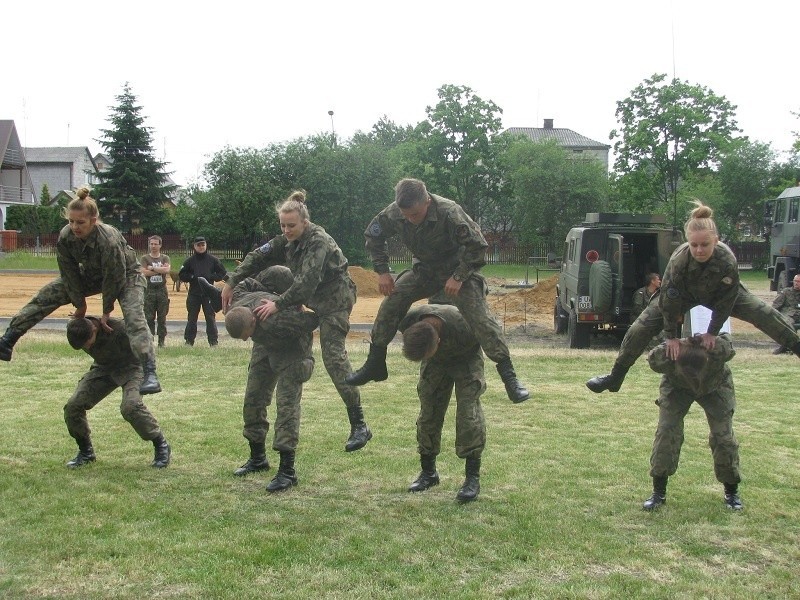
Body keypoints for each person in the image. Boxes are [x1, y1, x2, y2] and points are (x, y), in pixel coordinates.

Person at [345, 178, 529, 404]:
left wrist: (458, 276)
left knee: (480, 318)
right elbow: (373, 235)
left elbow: (479, 247)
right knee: (393, 301)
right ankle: (376, 362)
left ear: (427, 202)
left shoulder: (450, 213)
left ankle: (510, 377)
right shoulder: (395, 212)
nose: (410, 220)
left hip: (457, 269)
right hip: (425, 270)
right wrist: (382, 271)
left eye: (415, 215)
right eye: (406, 216)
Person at [586, 201, 800, 393]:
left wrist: (712, 333)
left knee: (766, 314)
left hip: (719, 293)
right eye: (694, 245)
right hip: (682, 295)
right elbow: (668, 303)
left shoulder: (727, 260)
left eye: (704, 245)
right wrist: (670, 336)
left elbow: (727, 301)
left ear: (716, 241)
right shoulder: (679, 261)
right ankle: (615, 377)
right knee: (638, 329)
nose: (699, 250)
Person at [220, 190, 372, 453]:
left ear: (305, 222)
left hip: (334, 300)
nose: (287, 230)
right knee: (276, 275)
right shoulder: (287, 240)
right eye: (283, 225)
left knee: (333, 357)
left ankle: (359, 423)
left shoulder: (318, 241)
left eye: (291, 225)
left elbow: (306, 283)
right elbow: (258, 255)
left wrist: (278, 305)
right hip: (309, 297)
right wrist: (231, 282)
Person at [0, 187, 161, 394]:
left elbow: (115, 276)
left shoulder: (108, 239)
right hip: (93, 274)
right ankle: (8, 340)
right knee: (47, 295)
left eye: (80, 222)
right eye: (71, 221)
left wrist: (106, 311)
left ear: (93, 221)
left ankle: (149, 372)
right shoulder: (66, 236)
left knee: (134, 316)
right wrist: (80, 304)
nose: (75, 227)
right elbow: (69, 273)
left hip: (127, 275)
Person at [225, 266, 319, 493]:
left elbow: (313, 320)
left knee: (286, 406)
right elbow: (247, 282)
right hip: (266, 342)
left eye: (246, 335)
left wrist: (294, 303)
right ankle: (257, 458)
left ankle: (287, 471)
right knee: (253, 398)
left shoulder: (280, 321)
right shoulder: (238, 302)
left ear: (253, 323)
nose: (246, 340)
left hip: (292, 348)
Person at [642, 334, 742, 511]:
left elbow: (729, 345)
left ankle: (731, 491)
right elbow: (651, 359)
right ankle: (658, 491)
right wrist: (673, 344)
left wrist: (710, 340)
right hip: (677, 387)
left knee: (723, 438)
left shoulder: (719, 350)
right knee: (666, 432)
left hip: (715, 386)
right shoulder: (665, 356)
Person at [399, 303, 486, 503]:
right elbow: (384, 326)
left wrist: (509, 376)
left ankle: (472, 478)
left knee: (468, 415)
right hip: (436, 361)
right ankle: (428, 473)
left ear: (438, 340)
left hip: (467, 357)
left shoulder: (467, 323)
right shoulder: (410, 320)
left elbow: (493, 337)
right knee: (428, 412)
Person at [64, 316, 171, 469]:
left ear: (94, 329)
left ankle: (161, 445)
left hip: (132, 367)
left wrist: (150, 372)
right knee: (73, 406)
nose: (87, 348)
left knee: (131, 406)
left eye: (88, 343)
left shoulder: (120, 328)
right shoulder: (77, 329)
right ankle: (86, 452)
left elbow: (145, 341)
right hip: (104, 368)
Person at [178, 236, 227, 347]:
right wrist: (192, 277)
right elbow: (181, 274)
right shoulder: (189, 261)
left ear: (206, 245)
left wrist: (212, 276)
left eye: (202, 245)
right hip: (194, 294)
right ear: (194, 246)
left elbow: (223, 273)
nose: (201, 247)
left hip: (209, 295)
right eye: (198, 245)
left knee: (210, 318)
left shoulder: (213, 260)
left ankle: (213, 342)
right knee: (192, 318)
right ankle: (189, 342)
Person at [140, 235, 171, 347]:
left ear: (160, 245)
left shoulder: (165, 258)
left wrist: (152, 268)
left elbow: (167, 270)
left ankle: (161, 342)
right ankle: (150, 341)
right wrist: (159, 270)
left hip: (162, 290)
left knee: (162, 317)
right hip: (149, 291)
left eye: (155, 244)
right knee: (149, 318)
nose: (153, 246)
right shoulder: (145, 258)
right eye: (151, 244)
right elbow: (143, 272)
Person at [770, 273, 800, 354]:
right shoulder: (786, 292)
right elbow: (776, 304)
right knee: (788, 324)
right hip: (789, 314)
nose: (796, 283)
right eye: (795, 281)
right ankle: (784, 347)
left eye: (799, 282)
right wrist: (773, 316)